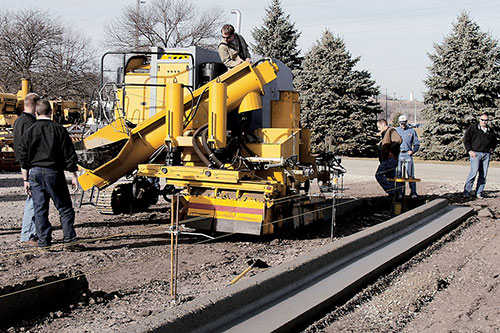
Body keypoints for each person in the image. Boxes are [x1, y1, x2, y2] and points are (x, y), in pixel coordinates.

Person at [17, 99, 82, 251]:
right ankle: (69, 241)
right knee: (65, 208)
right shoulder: (59, 129)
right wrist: (73, 174)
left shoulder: (29, 131)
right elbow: (69, 154)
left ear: (36, 113)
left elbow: (23, 157)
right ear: (51, 112)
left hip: (34, 173)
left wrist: (25, 179)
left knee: (40, 209)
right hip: (54, 173)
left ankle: (44, 243)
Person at [13, 92, 40, 246]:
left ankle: (31, 233)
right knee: (33, 200)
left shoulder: (19, 121)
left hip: (25, 164)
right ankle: (28, 235)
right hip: (31, 165)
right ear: (35, 105)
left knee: (33, 199)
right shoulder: (30, 123)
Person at [463, 113, 497, 198]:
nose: (484, 122)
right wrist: (469, 150)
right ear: (479, 120)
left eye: (486, 120)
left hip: (486, 154)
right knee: (473, 172)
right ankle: (467, 192)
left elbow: (494, 141)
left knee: (483, 174)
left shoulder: (490, 130)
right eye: (482, 120)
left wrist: (491, 148)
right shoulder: (473, 128)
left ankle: (479, 192)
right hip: (475, 154)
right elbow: (466, 139)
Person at [395, 115, 421, 198]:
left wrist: (413, 151)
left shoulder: (412, 131)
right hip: (399, 155)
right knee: (399, 175)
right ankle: (399, 193)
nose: (403, 125)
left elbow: (417, 143)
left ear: (406, 122)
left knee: (410, 175)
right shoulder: (396, 131)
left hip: (408, 155)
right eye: (401, 123)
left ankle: (413, 192)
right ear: (399, 123)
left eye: (404, 123)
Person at [375, 119, 402, 196]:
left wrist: (391, 151)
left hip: (390, 160)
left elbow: (398, 140)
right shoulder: (384, 134)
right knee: (390, 178)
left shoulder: (391, 131)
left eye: (379, 126)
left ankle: (392, 192)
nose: (378, 129)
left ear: (383, 124)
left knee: (379, 175)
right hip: (386, 160)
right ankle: (394, 197)